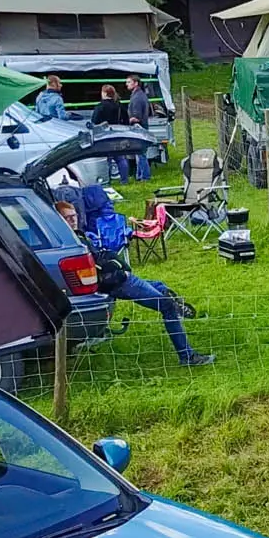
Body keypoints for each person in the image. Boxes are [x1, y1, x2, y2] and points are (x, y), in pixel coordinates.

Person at [54, 197, 213, 368]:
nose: (72, 220)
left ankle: (174, 305)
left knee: (160, 286)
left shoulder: (77, 236)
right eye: (67, 217)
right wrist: (119, 272)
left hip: (118, 279)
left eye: (74, 216)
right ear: (59, 220)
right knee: (166, 306)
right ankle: (187, 355)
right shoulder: (72, 243)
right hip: (119, 283)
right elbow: (96, 270)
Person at [123, 76, 153, 182]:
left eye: (129, 82)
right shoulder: (140, 95)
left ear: (136, 83)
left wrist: (127, 121)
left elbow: (136, 117)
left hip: (139, 128)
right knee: (140, 154)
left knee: (140, 154)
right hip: (142, 127)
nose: (127, 84)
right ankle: (140, 176)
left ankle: (144, 176)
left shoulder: (137, 98)